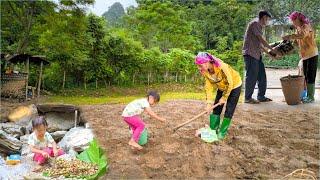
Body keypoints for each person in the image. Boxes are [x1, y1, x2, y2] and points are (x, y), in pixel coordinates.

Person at [195, 52, 242, 140]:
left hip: (235, 85)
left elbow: (230, 83)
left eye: (200, 65)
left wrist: (224, 97)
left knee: (229, 109)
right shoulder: (205, 72)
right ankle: (214, 129)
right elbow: (208, 87)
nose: (199, 68)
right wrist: (209, 103)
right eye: (198, 66)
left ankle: (222, 133)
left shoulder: (222, 67)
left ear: (207, 62)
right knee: (216, 108)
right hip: (222, 87)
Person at [242, 10, 279, 104]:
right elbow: (261, 40)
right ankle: (247, 98)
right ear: (263, 17)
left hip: (257, 55)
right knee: (251, 76)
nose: (267, 21)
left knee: (262, 76)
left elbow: (260, 45)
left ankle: (261, 96)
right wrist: (272, 48)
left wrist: (271, 54)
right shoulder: (255, 23)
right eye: (267, 19)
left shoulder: (259, 27)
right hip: (250, 54)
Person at [282, 11, 318, 103]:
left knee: (310, 76)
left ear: (298, 19)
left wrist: (289, 36)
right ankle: (306, 95)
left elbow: (302, 36)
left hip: (312, 54)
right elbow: (296, 42)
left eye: (294, 20)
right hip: (304, 55)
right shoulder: (298, 29)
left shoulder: (306, 26)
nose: (293, 22)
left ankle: (311, 97)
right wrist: (284, 50)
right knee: (305, 76)